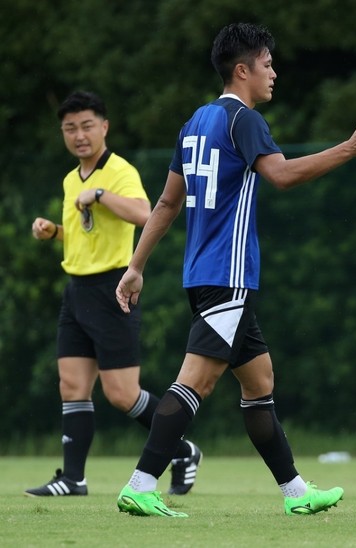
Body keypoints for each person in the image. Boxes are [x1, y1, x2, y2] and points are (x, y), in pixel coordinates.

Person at [113, 22, 356, 518]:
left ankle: (296, 492)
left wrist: (136, 266)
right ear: (242, 70)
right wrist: (349, 148)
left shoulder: (195, 122)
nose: (274, 73)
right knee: (195, 381)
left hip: (202, 275)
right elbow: (282, 176)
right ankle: (140, 483)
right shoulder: (243, 120)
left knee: (259, 382)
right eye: (266, 65)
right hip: (228, 276)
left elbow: (166, 202)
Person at [27, 91, 201, 497]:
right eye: (70, 128)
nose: (79, 135)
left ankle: (183, 450)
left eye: (87, 125)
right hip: (77, 290)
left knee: (122, 394)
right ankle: (73, 478)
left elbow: (145, 214)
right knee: (71, 386)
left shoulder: (119, 171)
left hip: (112, 289)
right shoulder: (72, 178)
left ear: (104, 127)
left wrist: (102, 196)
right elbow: (86, 236)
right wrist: (54, 231)